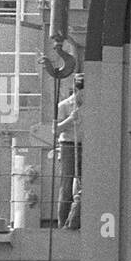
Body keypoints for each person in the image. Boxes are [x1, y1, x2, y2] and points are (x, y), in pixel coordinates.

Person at [54, 73, 83, 227]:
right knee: (67, 185)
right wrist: (71, 118)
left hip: (86, 146)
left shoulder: (92, 106)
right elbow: (55, 129)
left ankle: (78, 221)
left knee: (84, 185)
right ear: (77, 90)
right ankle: (62, 222)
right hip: (69, 146)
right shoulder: (64, 105)